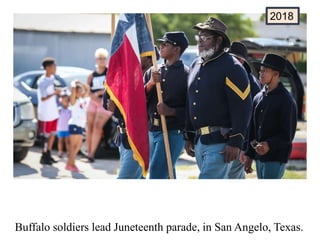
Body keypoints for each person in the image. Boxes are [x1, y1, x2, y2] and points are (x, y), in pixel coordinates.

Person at [184, 17, 252, 179]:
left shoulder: (232, 67)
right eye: (198, 37)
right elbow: (190, 101)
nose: (200, 42)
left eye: (205, 37)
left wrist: (235, 142)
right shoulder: (195, 65)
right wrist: (188, 135)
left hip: (221, 143)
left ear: (219, 40)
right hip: (200, 141)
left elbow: (243, 108)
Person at [103, 47, 159, 179]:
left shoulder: (155, 81)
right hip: (123, 138)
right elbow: (107, 104)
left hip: (139, 138)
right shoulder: (124, 76)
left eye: (140, 54)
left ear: (151, 60)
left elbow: (141, 107)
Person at [241, 53, 297, 179]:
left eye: (265, 71)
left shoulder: (286, 100)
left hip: (275, 158)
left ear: (276, 74)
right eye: (260, 71)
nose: (261, 73)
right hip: (258, 157)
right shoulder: (258, 97)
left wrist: (269, 145)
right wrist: (249, 155)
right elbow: (252, 130)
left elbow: (287, 135)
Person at [144, 31, 189, 179]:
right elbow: (140, 99)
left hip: (172, 132)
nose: (161, 47)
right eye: (161, 44)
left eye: (165, 44)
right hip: (153, 130)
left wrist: (172, 111)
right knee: (168, 174)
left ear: (176, 49)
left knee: (157, 173)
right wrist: (151, 83)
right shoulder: (153, 71)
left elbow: (192, 110)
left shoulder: (187, 75)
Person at [227, 41, 262, 179]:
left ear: (241, 61)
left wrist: (245, 146)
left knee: (232, 177)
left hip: (241, 141)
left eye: (233, 59)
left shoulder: (250, 83)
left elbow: (251, 117)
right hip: (232, 139)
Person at [86, 48, 113, 162]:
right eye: (99, 58)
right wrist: (92, 95)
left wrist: (98, 93)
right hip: (92, 102)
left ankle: (92, 154)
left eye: (103, 58)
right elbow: (87, 90)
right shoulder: (91, 75)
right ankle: (88, 153)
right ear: (96, 60)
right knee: (89, 127)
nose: (101, 60)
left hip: (105, 102)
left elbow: (111, 87)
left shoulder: (109, 72)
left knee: (97, 126)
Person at [37, 57, 61, 165]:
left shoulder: (52, 78)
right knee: (45, 136)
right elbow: (43, 98)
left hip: (53, 112)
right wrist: (55, 93)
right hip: (45, 113)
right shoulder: (42, 81)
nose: (55, 68)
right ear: (47, 67)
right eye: (53, 66)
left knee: (52, 134)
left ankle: (49, 154)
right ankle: (44, 155)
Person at [65, 80, 90, 172]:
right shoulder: (73, 101)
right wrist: (74, 83)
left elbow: (87, 89)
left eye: (80, 91)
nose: (80, 92)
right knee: (73, 146)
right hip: (74, 124)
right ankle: (72, 164)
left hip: (80, 126)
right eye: (78, 91)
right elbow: (73, 88)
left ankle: (69, 163)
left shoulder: (81, 99)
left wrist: (80, 82)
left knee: (78, 146)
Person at [56, 88, 71, 159]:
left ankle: (69, 152)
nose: (66, 102)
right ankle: (60, 152)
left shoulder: (70, 110)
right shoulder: (59, 110)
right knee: (60, 141)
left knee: (68, 141)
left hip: (68, 129)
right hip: (60, 128)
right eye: (64, 100)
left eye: (67, 100)